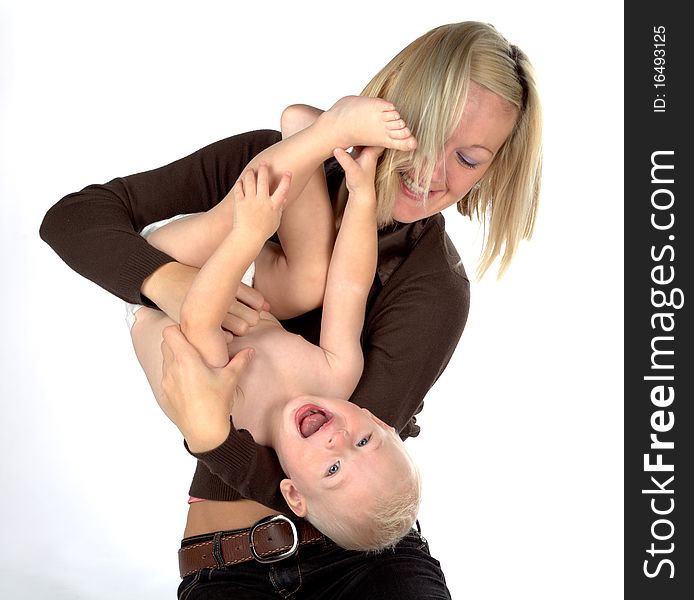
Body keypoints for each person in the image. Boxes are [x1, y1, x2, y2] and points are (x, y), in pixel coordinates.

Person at [40, 21, 542, 599]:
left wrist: (210, 436)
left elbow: (313, 471)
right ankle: (295, 157)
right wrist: (170, 283)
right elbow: (74, 219)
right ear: (394, 102)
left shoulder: (435, 290)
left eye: (469, 158)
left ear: (494, 169)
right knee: (295, 269)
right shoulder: (267, 169)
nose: (433, 172)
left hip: (367, 566)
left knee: (301, 278)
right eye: (427, 131)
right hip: (227, 565)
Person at [129, 101, 422, 551]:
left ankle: (306, 148)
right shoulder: (337, 375)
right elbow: (349, 286)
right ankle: (309, 135)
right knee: (312, 283)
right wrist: (363, 197)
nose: (336, 439)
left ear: (293, 493)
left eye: (333, 470)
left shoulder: (233, 411)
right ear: (377, 419)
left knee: (232, 221)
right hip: (243, 289)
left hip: (165, 284)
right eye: (364, 440)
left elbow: (198, 316)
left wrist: (247, 236)